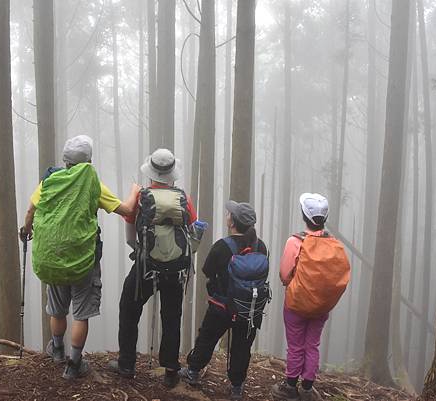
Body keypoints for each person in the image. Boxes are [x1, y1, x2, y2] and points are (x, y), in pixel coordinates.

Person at [20, 135, 139, 380]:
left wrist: (27, 229)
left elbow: (31, 209)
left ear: (66, 161)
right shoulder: (92, 183)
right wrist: (134, 192)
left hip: (52, 257)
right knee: (81, 313)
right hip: (83, 260)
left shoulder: (49, 181)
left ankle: (57, 351)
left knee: (57, 309)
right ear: (89, 162)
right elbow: (125, 210)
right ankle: (74, 365)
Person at [108, 148, 198, 388]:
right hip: (176, 269)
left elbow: (129, 236)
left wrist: (141, 251)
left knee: (129, 308)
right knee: (171, 316)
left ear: (151, 172)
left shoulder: (141, 196)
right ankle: (170, 370)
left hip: (145, 267)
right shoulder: (183, 198)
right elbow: (191, 235)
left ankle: (126, 365)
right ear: (172, 173)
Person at [179, 201, 270, 400]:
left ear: (232, 223)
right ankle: (237, 387)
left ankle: (193, 372)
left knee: (207, 338)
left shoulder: (222, 246)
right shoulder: (261, 246)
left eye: (230, 214)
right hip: (249, 308)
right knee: (241, 347)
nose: (227, 215)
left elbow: (207, 270)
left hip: (222, 306)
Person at [271, 193, 350, 401]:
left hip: (296, 303)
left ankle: (289, 386)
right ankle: (307, 388)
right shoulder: (334, 244)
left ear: (303, 215)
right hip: (321, 306)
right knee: (312, 344)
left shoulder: (295, 241)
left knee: (295, 345)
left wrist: (294, 285)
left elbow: (285, 273)